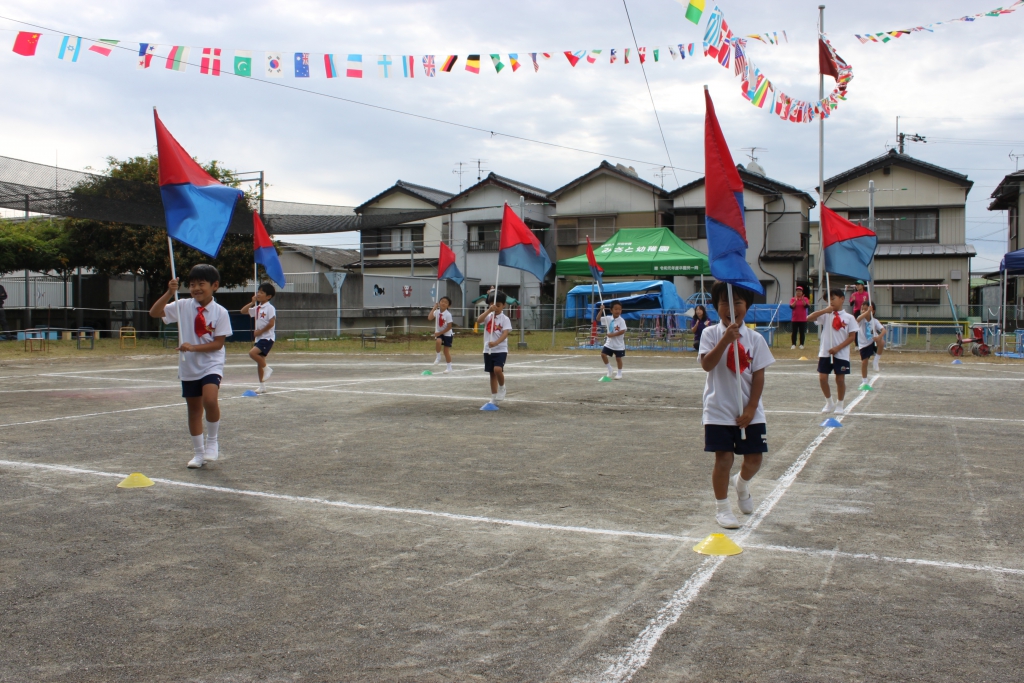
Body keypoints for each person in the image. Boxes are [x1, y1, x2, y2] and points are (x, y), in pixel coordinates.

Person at [699, 281, 775, 529]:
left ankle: (741, 484)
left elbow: (759, 375)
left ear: (747, 306)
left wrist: (752, 408)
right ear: (716, 307)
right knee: (723, 459)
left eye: (738, 303)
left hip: (749, 411)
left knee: (754, 460)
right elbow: (707, 365)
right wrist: (724, 340)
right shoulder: (710, 333)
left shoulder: (755, 339)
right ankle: (722, 509)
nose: (731, 308)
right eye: (724, 303)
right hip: (718, 409)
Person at [149, 264, 233, 469]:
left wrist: (193, 347)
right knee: (194, 410)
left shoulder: (220, 312)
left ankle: (212, 441)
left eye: (201, 284)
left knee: (210, 400)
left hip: (211, 363)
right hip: (189, 366)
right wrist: (170, 292)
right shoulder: (183, 305)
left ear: (215, 286)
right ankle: (198, 453)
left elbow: (218, 344)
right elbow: (154, 313)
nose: (195, 288)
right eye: (192, 284)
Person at [807, 288, 859, 415]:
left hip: (841, 354)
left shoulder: (849, 318)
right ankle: (829, 402)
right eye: (828, 300)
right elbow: (808, 318)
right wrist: (825, 310)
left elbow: (852, 337)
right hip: (825, 352)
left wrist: (838, 348)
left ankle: (840, 404)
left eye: (833, 298)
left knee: (840, 380)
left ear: (842, 299)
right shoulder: (826, 315)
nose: (831, 302)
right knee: (822, 378)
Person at [476, 291, 512, 404]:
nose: (495, 307)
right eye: (493, 305)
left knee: (497, 370)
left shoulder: (505, 319)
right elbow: (479, 320)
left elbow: (505, 333)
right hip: (488, 350)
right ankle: (494, 396)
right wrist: (488, 311)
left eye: (498, 305)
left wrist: (496, 343)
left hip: (500, 349)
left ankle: (502, 387)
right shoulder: (488, 316)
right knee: (492, 373)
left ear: (503, 305)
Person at [241, 283, 277, 394]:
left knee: (253, 353)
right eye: (258, 292)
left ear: (268, 296)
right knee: (259, 362)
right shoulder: (258, 308)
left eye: (262, 292)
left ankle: (267, 369)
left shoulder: (270, 308)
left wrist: (260, 332)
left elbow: (271, 323)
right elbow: (243, 311)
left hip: (267, 338)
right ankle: (262, 386)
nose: (258, 294)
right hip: (260, 338)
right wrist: (252, 303)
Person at [599, 300, 628, 379]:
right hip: (609, 343)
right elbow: (598, 319)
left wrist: (612, 335)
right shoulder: (608, 318)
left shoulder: (621, 321)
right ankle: (609, 368)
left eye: (619, 309)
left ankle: (619, 373)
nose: (618, 311)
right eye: (616, 309)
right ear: (611, 310)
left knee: (618, 358)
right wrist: (601, 310)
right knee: (603, 354)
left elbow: (623, 331)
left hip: (618, 344)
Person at [857, 302, 885, 377]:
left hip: (873, 340)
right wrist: (867, 312)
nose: (863, 311)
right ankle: (864, 380)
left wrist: (879, 337)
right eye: (862, 309)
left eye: (866, 309)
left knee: (881, 342)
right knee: (864, 362)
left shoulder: (875, 321)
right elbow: (858, 320)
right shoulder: (861, 320)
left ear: (873, 311)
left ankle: (876, 360)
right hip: (864, 344)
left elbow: (884, 330)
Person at [428, 296, 454, 374]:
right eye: (442, 301)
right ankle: (438, 356)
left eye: (446, 302)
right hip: (439, 332)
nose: (443, 303)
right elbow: (429, 318)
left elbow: (449, 327)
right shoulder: (437, 311)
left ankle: (449, 367)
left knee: (446, 351)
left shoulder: (448, 314)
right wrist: (434, 308)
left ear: (448, 306)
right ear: (439, 303)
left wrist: (439, 333)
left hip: (447, 333)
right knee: (438, 341)